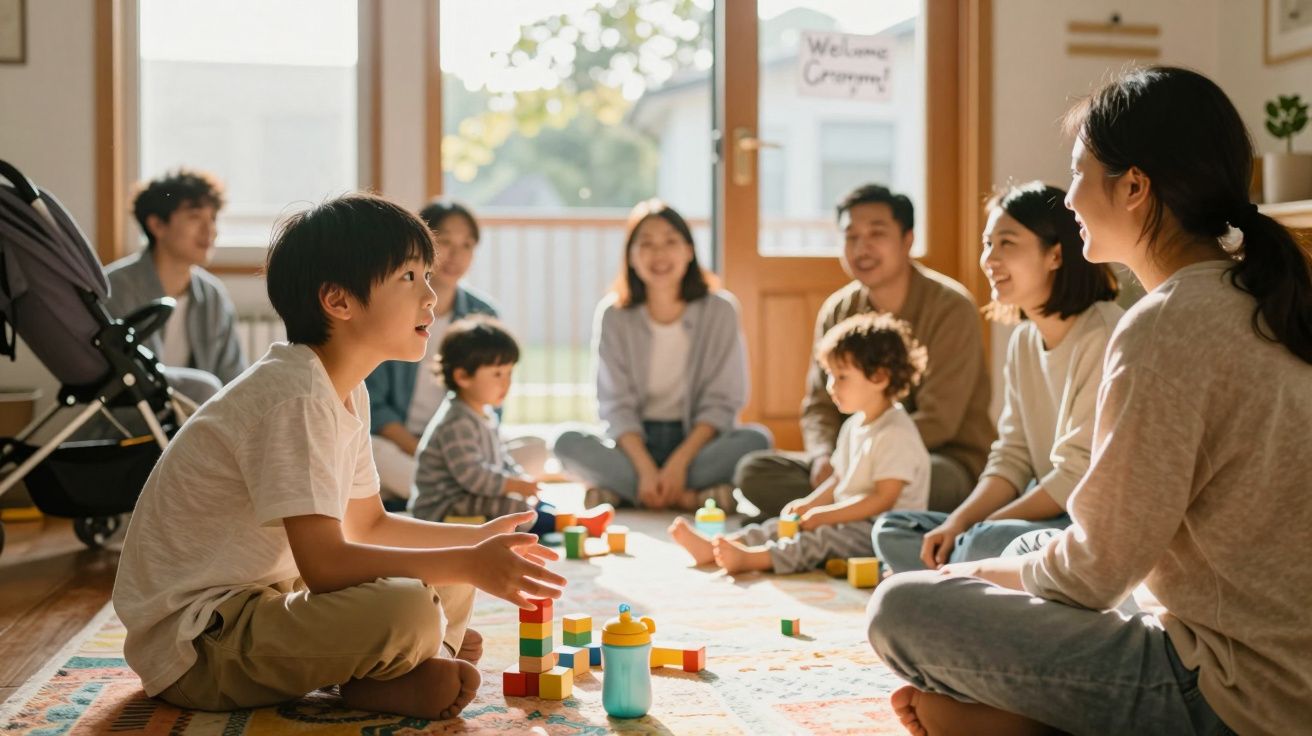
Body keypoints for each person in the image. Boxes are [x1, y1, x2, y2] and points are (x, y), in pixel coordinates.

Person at [866, 66, 1312, 736]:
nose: (1069, 197)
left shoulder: (1164, 324)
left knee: (902, 607)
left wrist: (976, 573)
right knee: (1034, 546)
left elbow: (1095, 574)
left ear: (1133, 186)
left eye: (1079, 172)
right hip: (1270, 665)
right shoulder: (1253, 293)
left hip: (1232, 693)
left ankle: (1023, 722)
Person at [112, 193, 566, 720]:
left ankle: (409, 670)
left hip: (266, 599)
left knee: (448, 579)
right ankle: (407, 663)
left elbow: (369, 523)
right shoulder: (294, 395)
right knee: (412, 607)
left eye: (427, 275)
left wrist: (476, 543)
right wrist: (466, 558)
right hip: (200, 646)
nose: (432, 296)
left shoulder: (345, 388)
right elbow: (326, 565)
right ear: (339, 301)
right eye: (410, 278)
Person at [871, 181, 1121, 574]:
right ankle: (968, 568)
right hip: (1034, 516)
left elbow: (1075, 477)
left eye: (1007, 243)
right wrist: (959, 522)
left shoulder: (1103, 336)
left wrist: (982, 528)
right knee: (894, 529)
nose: (989, 258)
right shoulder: (1023, 341)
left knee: (983, 541)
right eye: (988, 244)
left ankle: (965, 566)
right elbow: (1012, 457)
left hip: (1083, 523)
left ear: (1055, 254)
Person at [734, 184, 994, 521]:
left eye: (876, 234)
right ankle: (850, 517)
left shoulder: (950, 307)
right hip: (852, 457)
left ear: (907, 240)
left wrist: (868, 460)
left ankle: (831, 518)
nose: (862, 247)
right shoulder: (838, 310)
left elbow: (941, 419)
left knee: (934, 482)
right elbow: (819, 404)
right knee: (754, 472)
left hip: (935, 457)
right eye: (851, 236)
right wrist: (823, 456)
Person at [670, 312, 929, 574]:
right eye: (829, 375)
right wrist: (811, 504)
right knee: (780, 524)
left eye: (842, 377)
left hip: (882, 530)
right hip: (850, 519)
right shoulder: (854, 425)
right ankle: (722, 546)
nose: (830, 386)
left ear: (879, 377)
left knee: (819, 539)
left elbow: (883, 500)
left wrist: (826, 516)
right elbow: (839, 479)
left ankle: (755, 559)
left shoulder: (896, 433)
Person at [553, 199, 772, 510]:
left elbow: (723, 399)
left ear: (689, 251)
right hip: (634, 444)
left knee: (757, 441)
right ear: (631, 256)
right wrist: (644, 468)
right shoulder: (614, 314)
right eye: (646, 244)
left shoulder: (720, 309)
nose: (659, 254)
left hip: (698, 442)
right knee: (565, 442)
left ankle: (625, 494)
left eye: (670, 241)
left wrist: (679, 464)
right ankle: (692, 497)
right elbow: (615, 404)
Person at [409, 315, 613, 533]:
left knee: (528, 501)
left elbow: (502, 459)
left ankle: (569, 519)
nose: (506, 382)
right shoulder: (457, 422)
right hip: (441, 508)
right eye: (497, 374)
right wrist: (513, 485)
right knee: (513, 507)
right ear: (462, 376)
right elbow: (473, 476)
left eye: (509, 373)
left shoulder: (484, 414)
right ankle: (568, 524)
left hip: (467, 494)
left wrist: (519, 479)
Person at [365, 200, 502, 502]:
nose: (456, 254)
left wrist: (467, 456)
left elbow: (493, 399)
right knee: (369, 452)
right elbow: (374, 403)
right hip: (401, 444)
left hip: (462, 446)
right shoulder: (394, 307)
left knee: (534, 449)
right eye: (445, 242)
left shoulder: (484, 314)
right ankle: (462, 496)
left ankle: (431, 496)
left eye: (467, 245)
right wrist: (425, 451)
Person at [105, 168, 246, 402]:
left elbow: (234, 379)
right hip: (133, 418)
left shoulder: (213, 296)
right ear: (157, 225)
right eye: (195, 217)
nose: (210, 230)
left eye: (212, 218)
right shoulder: (115, 288)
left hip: (194, 422)